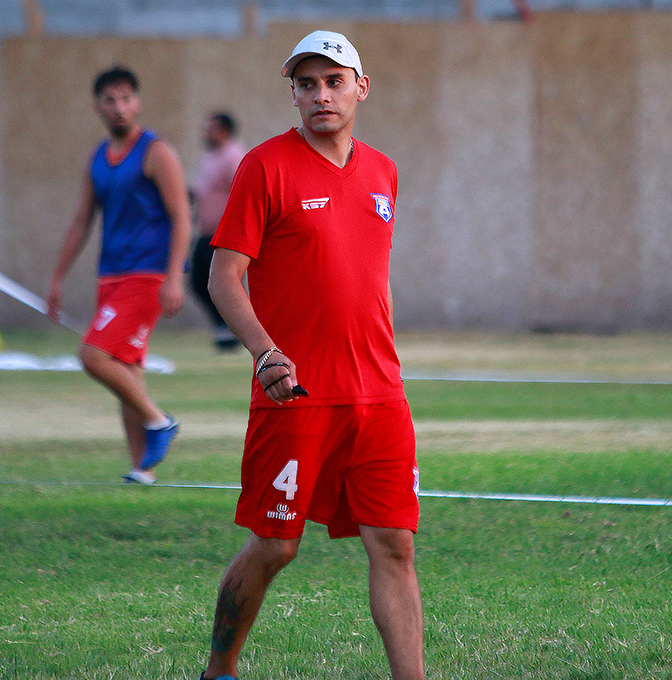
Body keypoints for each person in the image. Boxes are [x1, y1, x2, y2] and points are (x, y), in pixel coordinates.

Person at [197, 30, 424, 680]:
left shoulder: (384, 171)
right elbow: (223, 277)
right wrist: (266, 352)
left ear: (361, 87)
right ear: (293, 93)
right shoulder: (264, 167)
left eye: (333, 80)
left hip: (381, 394)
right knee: (276, 544)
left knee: (396, 546)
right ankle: (220, 669)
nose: (320, 94)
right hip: (294, 393)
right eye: (306, 84)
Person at [45, 65, 189, 486]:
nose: (119, 107)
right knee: (126, 369)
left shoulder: (156, 152)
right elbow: (80, 222)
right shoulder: (97, 158)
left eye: (126, 98)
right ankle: (141, 469)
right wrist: (56, 278)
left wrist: (175, 277)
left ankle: (159, 421)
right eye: (110, 99)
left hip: (147, 277)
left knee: (93, 356)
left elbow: (182, 217)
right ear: (97, 106)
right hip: (110, 278)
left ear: (138, 102)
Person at [189, 111, 245, 352]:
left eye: (211, 128)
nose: (206, 132)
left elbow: (242, 191)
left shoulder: (233, 156)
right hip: (207, 233)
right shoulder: (212, 157)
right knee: (199, 281)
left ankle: (231, 329)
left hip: (223, 235)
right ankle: (225, 327)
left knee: (221, 282)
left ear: (224, 130)